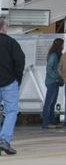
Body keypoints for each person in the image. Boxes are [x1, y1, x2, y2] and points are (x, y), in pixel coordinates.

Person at [0, 18, 23, 154]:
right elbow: (20, 61)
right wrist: (17, 79)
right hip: (9, 83)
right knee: (11, 111)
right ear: (4, 28)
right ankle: (4, 140)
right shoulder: (11, 43)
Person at [42, 39, 64, 129]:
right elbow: (49, 69)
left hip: (54, 82)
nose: (63, 46)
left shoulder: (56, 55)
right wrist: (56, 77)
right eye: (62, 45)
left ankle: (52, 121)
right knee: (49, 103)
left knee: (52, 103)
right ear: (59, 45)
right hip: (52, 82)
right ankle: (46, 123)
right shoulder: (53, 56)